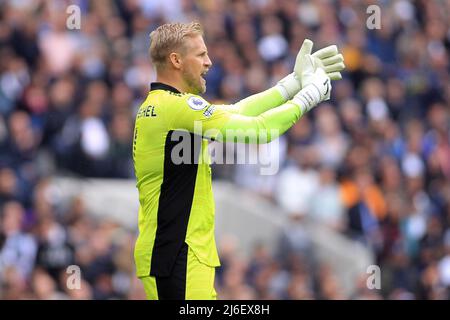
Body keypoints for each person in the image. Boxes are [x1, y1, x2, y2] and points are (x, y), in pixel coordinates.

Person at [132, 22, 345, 300]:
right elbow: (258, 130)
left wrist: (290, 84)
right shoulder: (176, 108)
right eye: (200, 55)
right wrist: (309, 95)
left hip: (180, 251)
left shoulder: (165, 106)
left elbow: (235, 111)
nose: (209, 62)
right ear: (176, 60)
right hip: (176, 253)